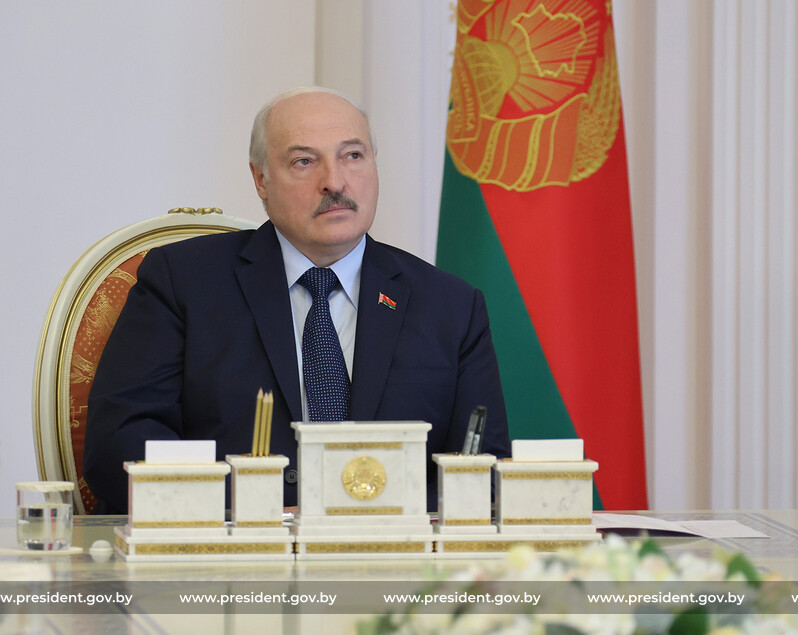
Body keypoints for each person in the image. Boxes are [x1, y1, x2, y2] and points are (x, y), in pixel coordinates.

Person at [83, 87, 510, 514]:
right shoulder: (183, 282)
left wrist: (366, 514)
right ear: (261, 179)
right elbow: (119, 444)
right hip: (235, 547)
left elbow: (482, 471)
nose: (335, 182)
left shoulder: (450, 306)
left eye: (353, 155)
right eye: (304, 161)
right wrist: (257, 512)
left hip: (391, 549)